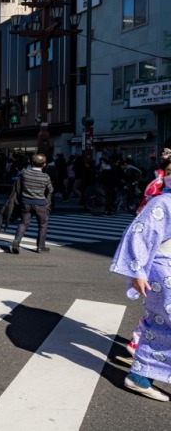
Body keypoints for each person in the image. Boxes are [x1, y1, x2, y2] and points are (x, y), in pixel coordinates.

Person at [109, 160, 171, 402]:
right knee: (163, 323)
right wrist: (138, 272)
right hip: (163, 268)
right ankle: (140, 376)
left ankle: (140, 376)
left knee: (160, 325)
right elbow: (140, 234)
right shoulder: (163, 202)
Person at [11, 153, 53, 254]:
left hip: (26, 202)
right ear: (44, 164)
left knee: (24, 223)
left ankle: (17, 241)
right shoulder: (45, 176)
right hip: (40, 203)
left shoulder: (25, 173)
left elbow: (18, 187)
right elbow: (51, 190)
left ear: (32, 162)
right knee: (42, 224)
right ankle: (40, 247)